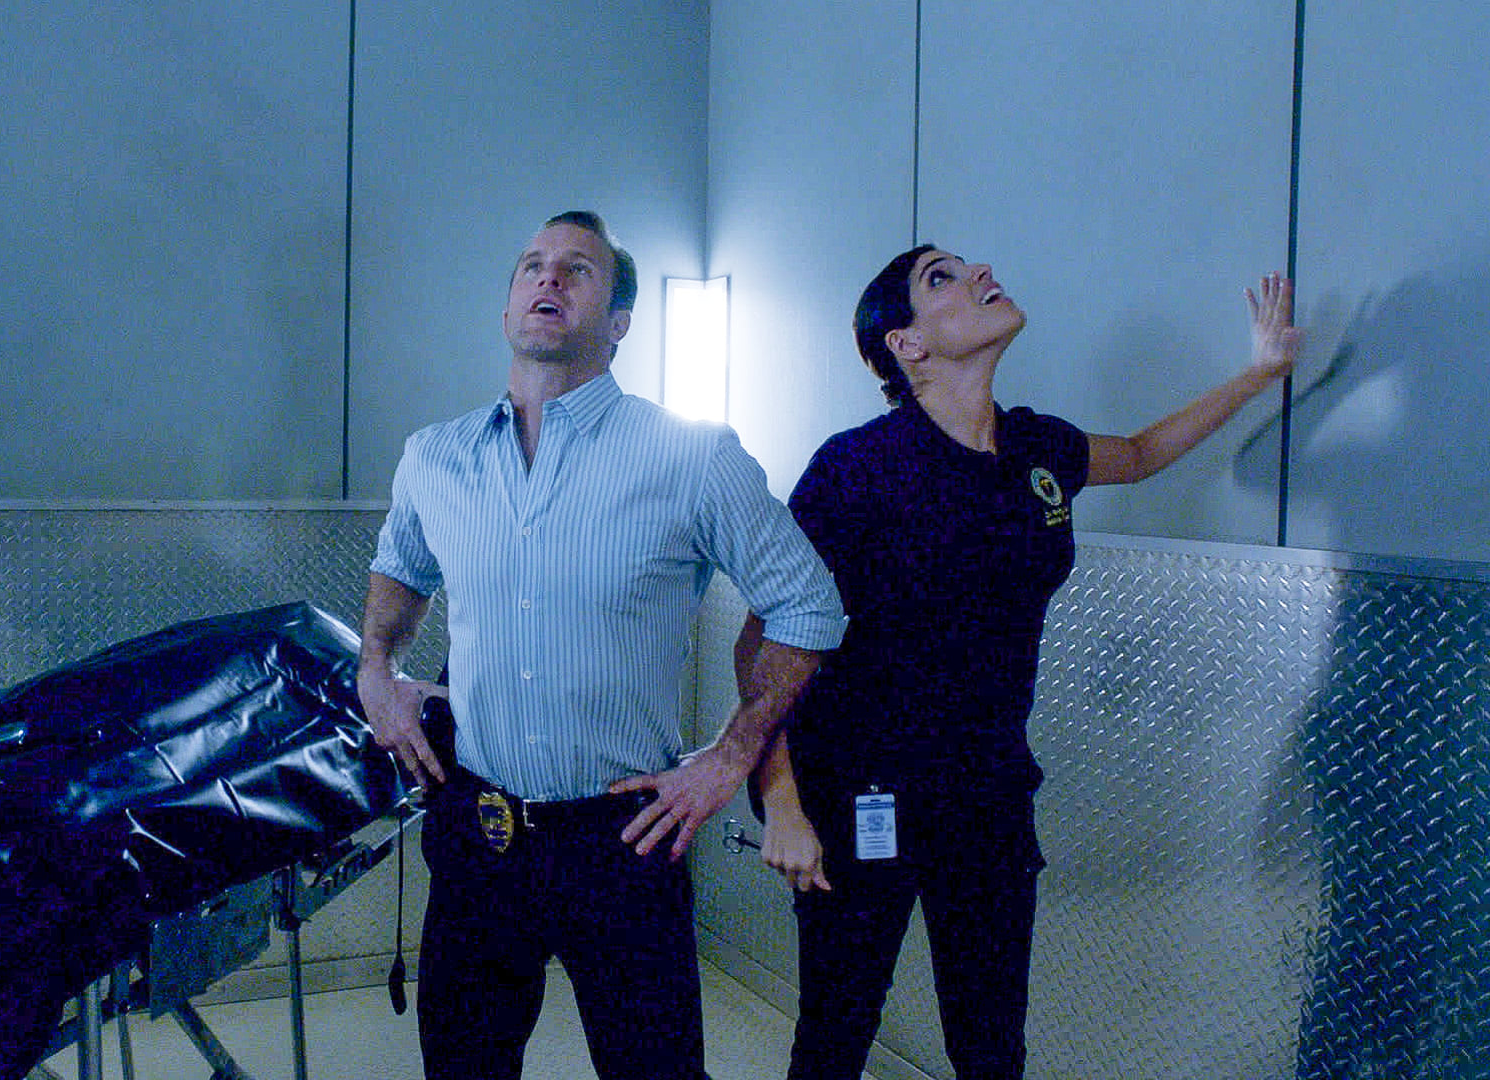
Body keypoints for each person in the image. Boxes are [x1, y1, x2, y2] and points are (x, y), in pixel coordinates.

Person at [743, 244, 1302, 1079]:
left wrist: (1259, 375)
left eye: (965, 264)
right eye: (940, 278)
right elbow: (762, 640)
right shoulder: (856, 468)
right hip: (862, 793)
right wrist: (781, 800)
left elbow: (1141, 453)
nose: (977, 274)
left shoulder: (1037, 448)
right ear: (907, 344)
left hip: (989, 795)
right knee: (835, 1036)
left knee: (992, 1046)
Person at [358, 210, 845, 1080]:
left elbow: (807, 606)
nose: (548, 278)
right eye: (532, 265)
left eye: (577, 269)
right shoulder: (434, 457)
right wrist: (377, 669)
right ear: (507, 306)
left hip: (623, 838)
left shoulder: (690, 457)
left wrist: (731, 757)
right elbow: (401, 568)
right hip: (478, 829)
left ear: (619, 323)